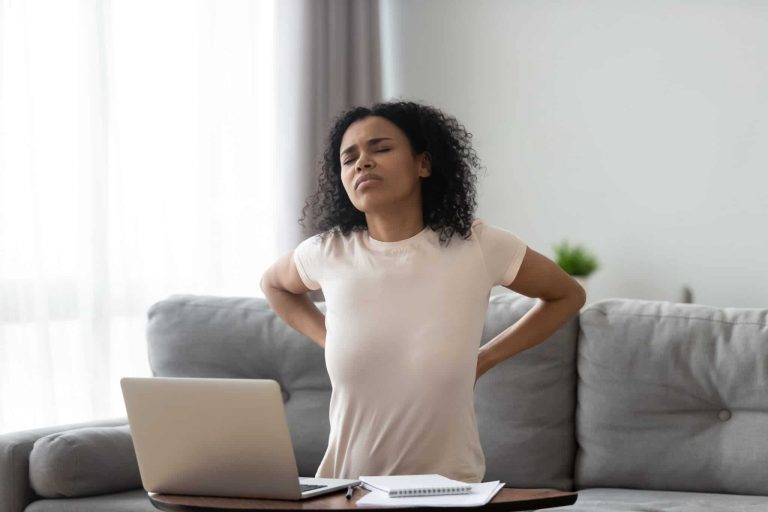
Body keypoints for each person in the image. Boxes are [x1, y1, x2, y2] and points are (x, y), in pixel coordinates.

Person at [260, 100, 585, 483]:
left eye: (380, 149)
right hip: (345, 490)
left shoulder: (477, 245)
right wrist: (328, 337)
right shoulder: (328, 252)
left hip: (449, 491)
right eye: (349, 159)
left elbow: (568, 295)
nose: (362, 162)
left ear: (423, 164)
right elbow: (274, 285)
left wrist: (485, 358)